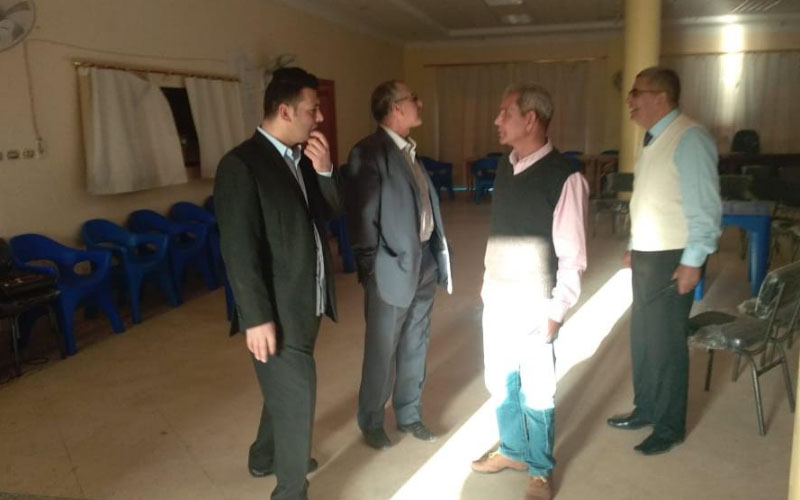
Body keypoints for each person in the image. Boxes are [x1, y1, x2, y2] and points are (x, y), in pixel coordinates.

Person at [213, 66, 340, 500]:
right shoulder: (241, 164)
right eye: (312, 109)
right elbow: (238, 249)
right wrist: (256, 317)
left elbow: (331, 212)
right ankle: (290, 489)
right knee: (298, 396)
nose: (319, 117)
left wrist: (325, 171)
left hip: (309, 300)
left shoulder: (301, 160)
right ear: (285, 111)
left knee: (284, 390)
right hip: (276, 310)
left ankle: (264, 454)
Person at [470, 83, 588, 500]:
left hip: (536, 302)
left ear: (531, 119)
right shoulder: (506, 166)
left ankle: (540, 470)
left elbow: (572, 254)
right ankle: (513, 450)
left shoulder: (565, 177)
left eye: (506, 113)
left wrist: (558, 309)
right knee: (499, 381)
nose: (497, 120)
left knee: (537, 390)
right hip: (497, 296)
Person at [607, 66, 721, 455]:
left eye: (636, 93)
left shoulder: (690, 137)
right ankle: (646, 408)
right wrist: (635, 245)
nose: (630, 100)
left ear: (661, 97)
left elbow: (705, 207)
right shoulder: (654, 138)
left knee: (667, 344)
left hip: (673, 257)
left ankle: (669, 426)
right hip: (648, 255)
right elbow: (653, 199)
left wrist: (694, 260)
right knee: (643, 339)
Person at [342, 80, 452, 450]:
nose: (419, 102)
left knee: (416, 341)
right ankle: (372, 419)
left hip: (424, 262)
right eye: (413, 98)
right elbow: (362, 218)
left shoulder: (409, 151)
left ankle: (409, 413)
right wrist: (371, 269)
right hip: (390, 268)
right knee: (382, 349)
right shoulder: (368, 152)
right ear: (395, 108)